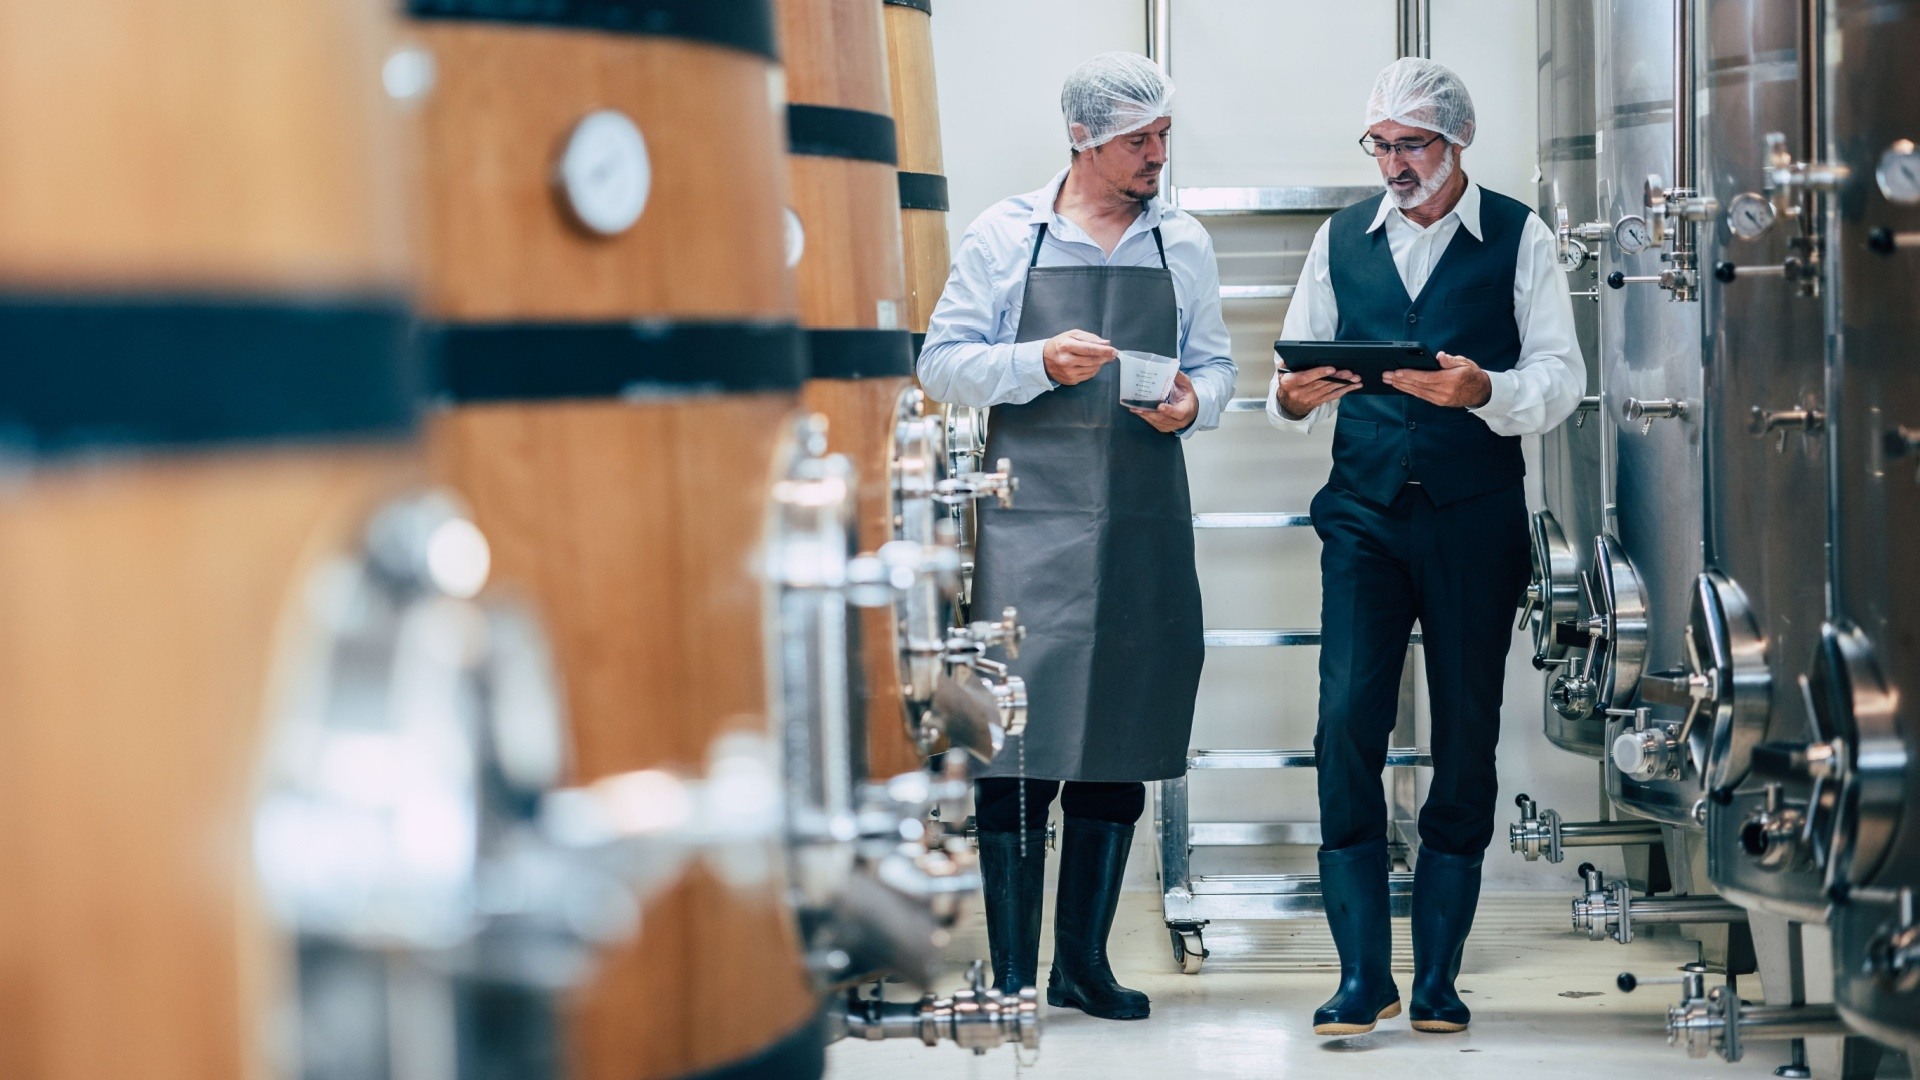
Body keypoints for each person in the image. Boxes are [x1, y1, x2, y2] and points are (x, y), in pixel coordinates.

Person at [1266, 58, 1584, 1036]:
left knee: (1466, 737)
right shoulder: (1340, 240)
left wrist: (1482, 392)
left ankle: (1439, 978)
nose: (1394, 164)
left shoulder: (1519, 238)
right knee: (1344, 731)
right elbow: (1291, 377)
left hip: (1473, 513)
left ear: (1457, 144)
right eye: (1381, 144)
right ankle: (1364, 976)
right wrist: (1293, 397)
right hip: (1362, 509)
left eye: (1412, 145)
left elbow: (1562, 377)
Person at [918, 51, 1235, 1021]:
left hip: (1140, 528)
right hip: (1025, 526)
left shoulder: (1182, 244)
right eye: (1139, 140)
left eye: (1163, 136)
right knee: (1015, 742)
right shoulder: (1008, 235)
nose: (1157, 155)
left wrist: (1192, 405)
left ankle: (1082, 966)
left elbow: (1217, 371)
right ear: (1083, 139)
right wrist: (1033, 362)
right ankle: (1014, 970)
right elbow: (942, 364)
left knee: (1119, 735)